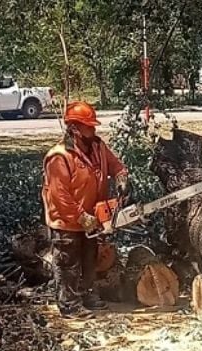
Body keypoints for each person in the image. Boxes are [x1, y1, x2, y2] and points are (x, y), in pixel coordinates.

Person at [42, 101, 129, 318]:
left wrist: (121, 179)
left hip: (93, 216)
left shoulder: (98, 147)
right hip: (66, 221)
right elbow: (59, 196)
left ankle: (89, 294)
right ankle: (69, 304)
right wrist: (81, 216)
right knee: (68, 263)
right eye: (88, 126)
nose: (93, 129)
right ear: (74, 128)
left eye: (92, 125)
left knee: (91, 259)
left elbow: (117, 166)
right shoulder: (59, 156)